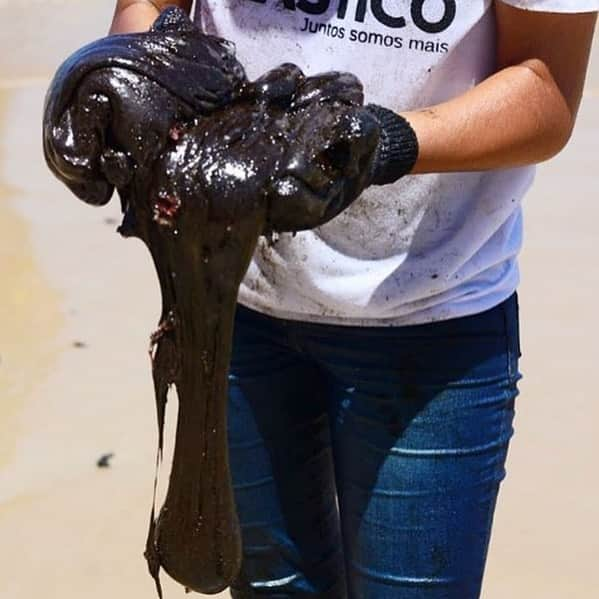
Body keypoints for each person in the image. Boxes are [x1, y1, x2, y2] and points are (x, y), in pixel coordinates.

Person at [110, 2, 597, 598]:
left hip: (431, 319)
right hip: (234, 309)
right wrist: (123, 86)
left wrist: (387, 143)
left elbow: (544, 86)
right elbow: (151, 10)